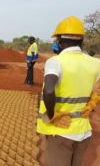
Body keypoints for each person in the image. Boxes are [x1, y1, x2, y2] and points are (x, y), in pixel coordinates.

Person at [37, 16, 100, 166]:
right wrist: (93, 102)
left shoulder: (55, 62)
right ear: (81, 40)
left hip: (61, 131)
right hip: (83, 131)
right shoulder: (95, 63)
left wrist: (52, 115)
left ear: (59, 40)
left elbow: (49, 91)